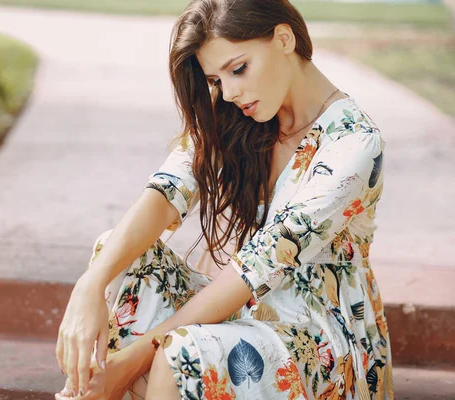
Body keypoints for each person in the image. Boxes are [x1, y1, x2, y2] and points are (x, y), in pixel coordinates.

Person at [55, 0, 393, 398]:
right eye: (216, 80)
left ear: (283, 38)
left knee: (179, 353)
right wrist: (89, 286)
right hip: (245, 314)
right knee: (116, 257)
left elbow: (260, 265)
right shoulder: (242, 116)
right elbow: (166, 191)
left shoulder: (352, 141)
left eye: (238, 69)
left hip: (317, 339)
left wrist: (128, 363)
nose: (229, 92)